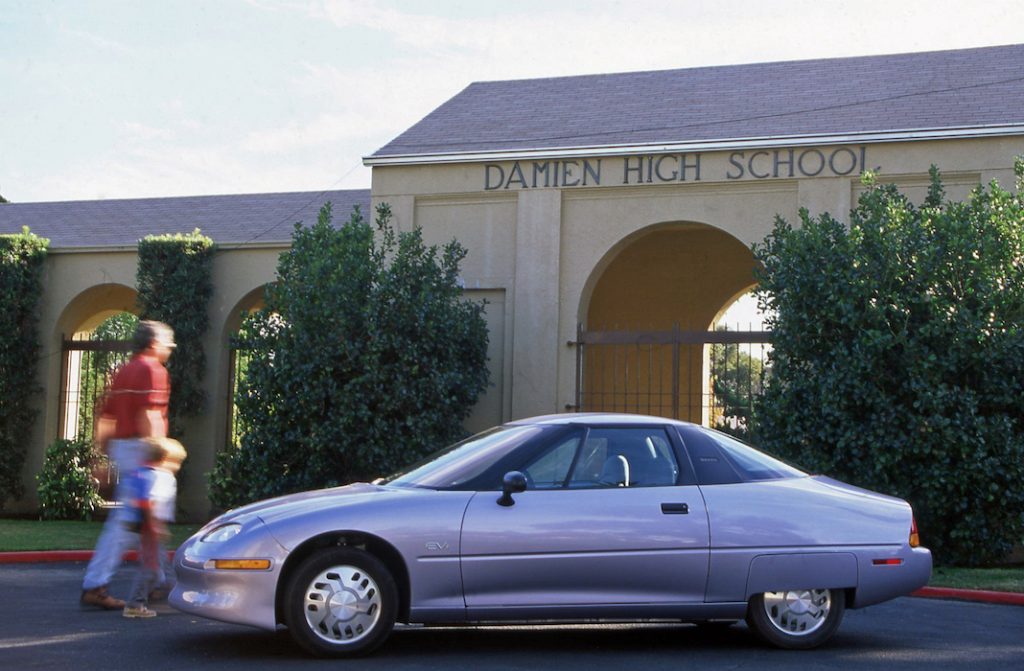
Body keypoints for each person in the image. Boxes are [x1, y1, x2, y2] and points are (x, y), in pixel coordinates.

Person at [80, 320, 175, 610]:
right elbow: (150, 414)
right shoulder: (152, 369)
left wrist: (101, 456)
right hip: (141, 448)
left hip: (124, 447)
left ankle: (158, 580)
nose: (170, 347)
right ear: (153, 343)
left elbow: (105, 417)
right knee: (130, 520)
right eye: (167, 342)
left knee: (149, 519)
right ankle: (96, 584)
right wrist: (158, 458)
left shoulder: (123, 371)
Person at [122, 437, 185, 618]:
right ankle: (135, 603)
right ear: (165, 459)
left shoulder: (141, 473)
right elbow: (148, 502)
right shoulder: (160, 477)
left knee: (159, 563)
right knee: (151, 566)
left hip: (139, 525)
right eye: (177, 462)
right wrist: (156, 526)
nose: (177, 466)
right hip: (149, 527)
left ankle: (167, 593)